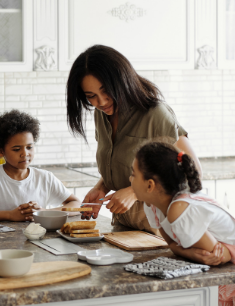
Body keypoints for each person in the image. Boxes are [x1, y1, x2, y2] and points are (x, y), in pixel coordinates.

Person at [66, 44, 202, 234]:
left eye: (106, 91)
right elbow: (127, 165)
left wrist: (133, 192)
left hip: (161, 233)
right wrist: (102, 187)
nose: (101, 102)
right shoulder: (102, 114)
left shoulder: (155, 114)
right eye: (91, 96)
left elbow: (191, 172)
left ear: (121, 81)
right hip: (124, 228)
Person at [130, 141, 235, 306]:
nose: (130, 179)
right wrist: (190, 253)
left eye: (133, 174)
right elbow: (172, 245)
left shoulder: (179, 209)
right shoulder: (153, 206)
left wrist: (186, 252)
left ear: (150, 185)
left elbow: (216, 256)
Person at [0, 110, 81, 222]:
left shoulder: (45, 178)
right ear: (1, 151)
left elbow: (76, 204)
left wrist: (44, 212)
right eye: (17, 149)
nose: (25, 154)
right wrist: (10, 215)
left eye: (29, 147)